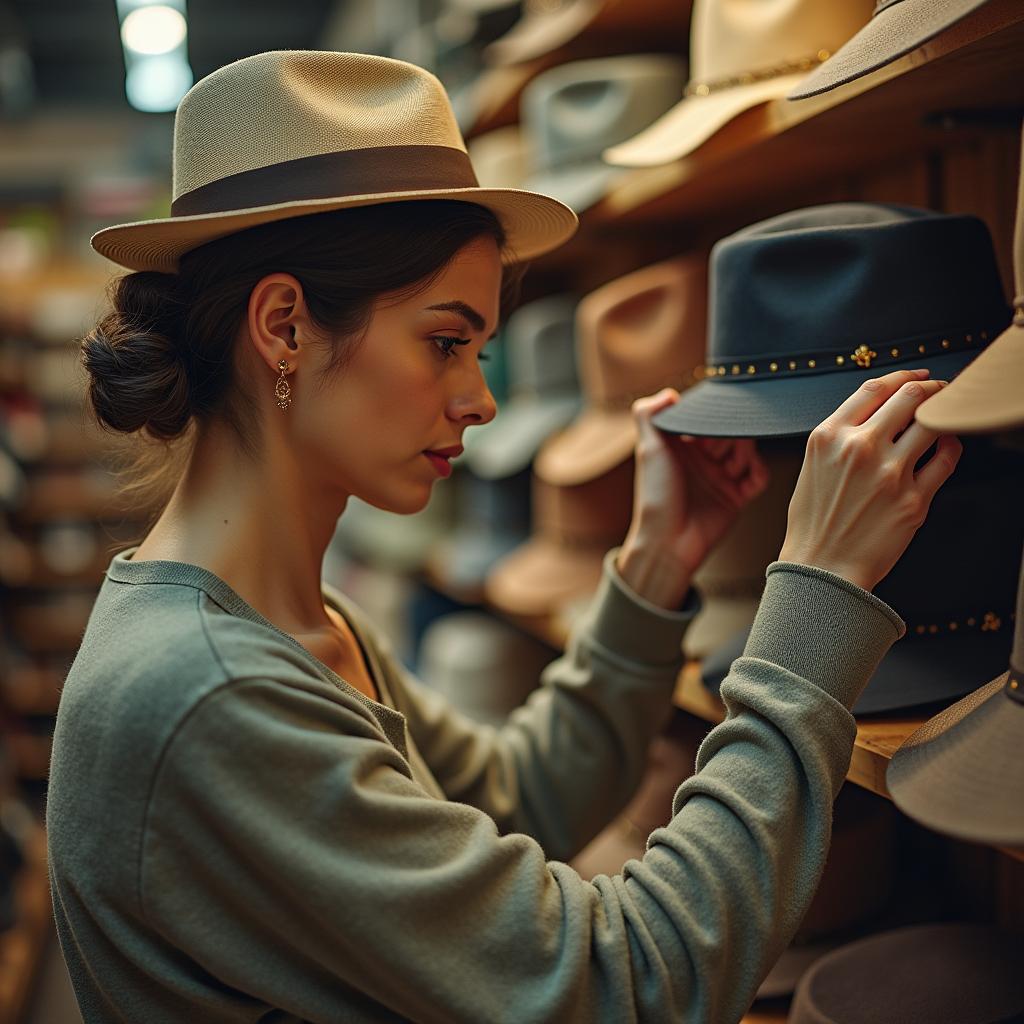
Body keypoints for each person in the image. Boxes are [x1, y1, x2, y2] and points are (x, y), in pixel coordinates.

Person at [46, 51, 961, 1023]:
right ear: (283, 327)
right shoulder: (208, 692)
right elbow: (628, 983)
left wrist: (654, 567)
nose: (479, 399)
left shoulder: (288, 624)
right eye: (445, 341)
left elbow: (507, 801)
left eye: (478, 351)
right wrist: (815, 591)